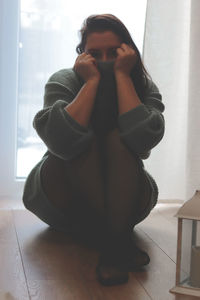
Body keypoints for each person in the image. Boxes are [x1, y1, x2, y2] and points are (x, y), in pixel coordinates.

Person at [23, 14, 165, 286]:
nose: (105, 61)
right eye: (95, 54)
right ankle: (118, 244)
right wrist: (90, 83)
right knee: (81, 140)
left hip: (126, 193)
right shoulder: (64, 79)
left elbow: (143, 141)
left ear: (128, 52)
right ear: (82, 56)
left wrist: (123, 76)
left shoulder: (143, 86)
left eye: (114, 53)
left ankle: (109, 246)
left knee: (115, 138)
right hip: (62, 194)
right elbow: (60, 142)